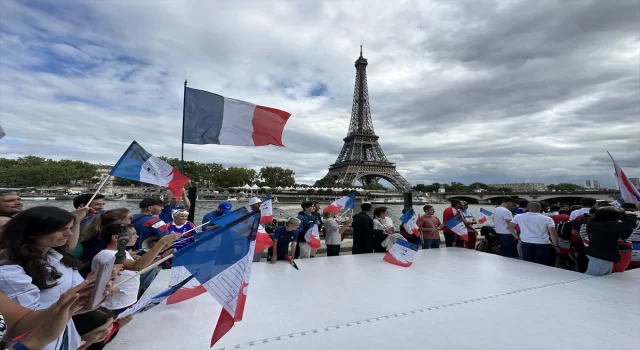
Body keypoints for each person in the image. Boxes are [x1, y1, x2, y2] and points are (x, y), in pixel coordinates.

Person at [0, 207, 89, 350]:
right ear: (33, 232)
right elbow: (26, 322)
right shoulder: (9, 271)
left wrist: (91, 285)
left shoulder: (56, 257)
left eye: (70, 228)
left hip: (63, 336)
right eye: (61, 229)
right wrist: (74, 304)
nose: (69, 233)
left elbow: (70, 299)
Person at [92, 224, 178, 316]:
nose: (137, 236)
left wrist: (162, 256)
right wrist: (161, 242)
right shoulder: (108, 255)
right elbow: (137, 266)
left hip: (125, 302)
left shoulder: (121, 252)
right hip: (114, 305)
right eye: (133, 234)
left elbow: (141, 269)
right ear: (116, 238)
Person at [584, 207, 636, 276]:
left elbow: (624, 235)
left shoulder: (595, 223)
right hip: (601, 255)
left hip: (602, 254)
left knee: (604, 277)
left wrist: (624, 218)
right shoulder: (602, 225)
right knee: (593, 277)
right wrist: (629, 216)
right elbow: (628, 225)